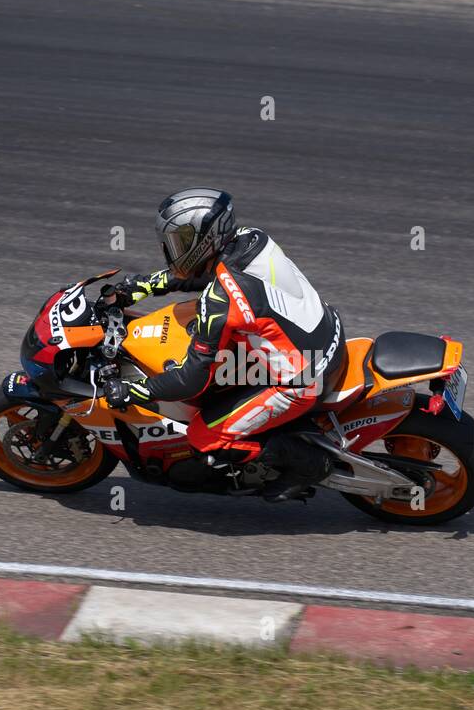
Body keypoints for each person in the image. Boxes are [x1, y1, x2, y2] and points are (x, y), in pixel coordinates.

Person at [100, 187, 345, 502]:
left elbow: (191, 380)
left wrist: (134, 391)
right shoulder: (250, 238)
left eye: (181, 242)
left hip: (301, 381)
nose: (174, 250)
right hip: (327, 332)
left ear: (204, 239)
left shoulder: (220, 301)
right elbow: (209, 274)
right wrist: (148, 284)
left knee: (204, 435)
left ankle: (310, 464)